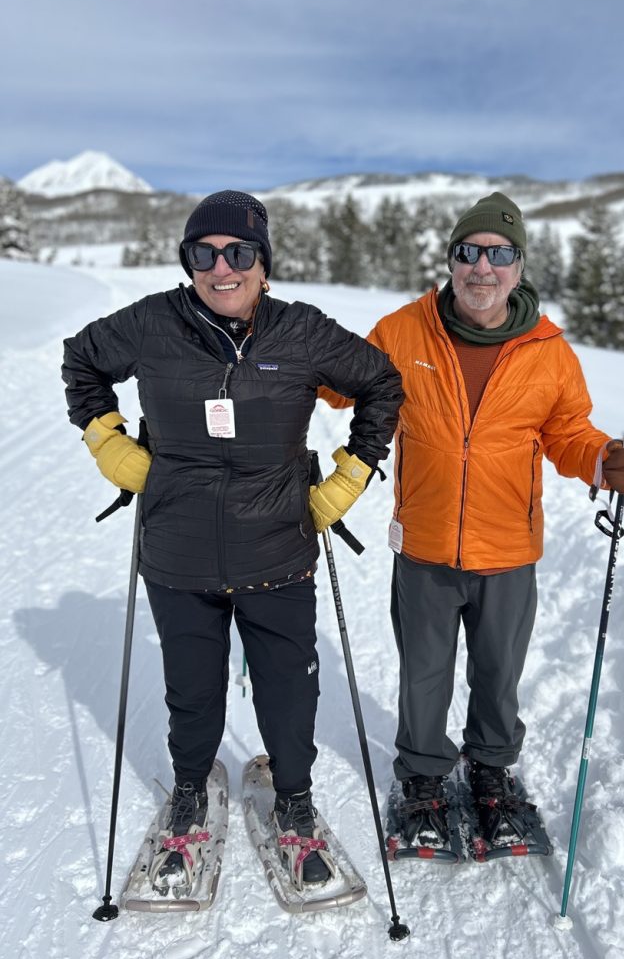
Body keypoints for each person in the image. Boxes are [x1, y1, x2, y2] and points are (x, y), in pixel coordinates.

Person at [62, 190, 403, 892]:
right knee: (192, 691)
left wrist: (352, 475)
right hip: (176, 553)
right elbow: (82, 361)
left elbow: (381, 384)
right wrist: (108, 441)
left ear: (264, 265)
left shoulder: (300, 332)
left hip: (278, 548)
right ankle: (190, 793)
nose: (222, 268)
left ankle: (295, 801)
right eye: (204, 253)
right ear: (188, 262)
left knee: (288, 693)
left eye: (239, 252)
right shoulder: (153, 324)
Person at [322, 191, 624, 849]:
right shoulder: (404, 331)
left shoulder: (547, 351)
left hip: (508, 548)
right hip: (423, 544)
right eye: (469, 252)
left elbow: (567, 434)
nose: (483, 267)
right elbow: (342, 383)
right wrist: (278, 362)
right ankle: (421, 776)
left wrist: (607, 463)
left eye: (499, 254)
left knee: (499, 671)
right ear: (450, 260)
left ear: (519, 265)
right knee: (424, 671)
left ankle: (493, 772)